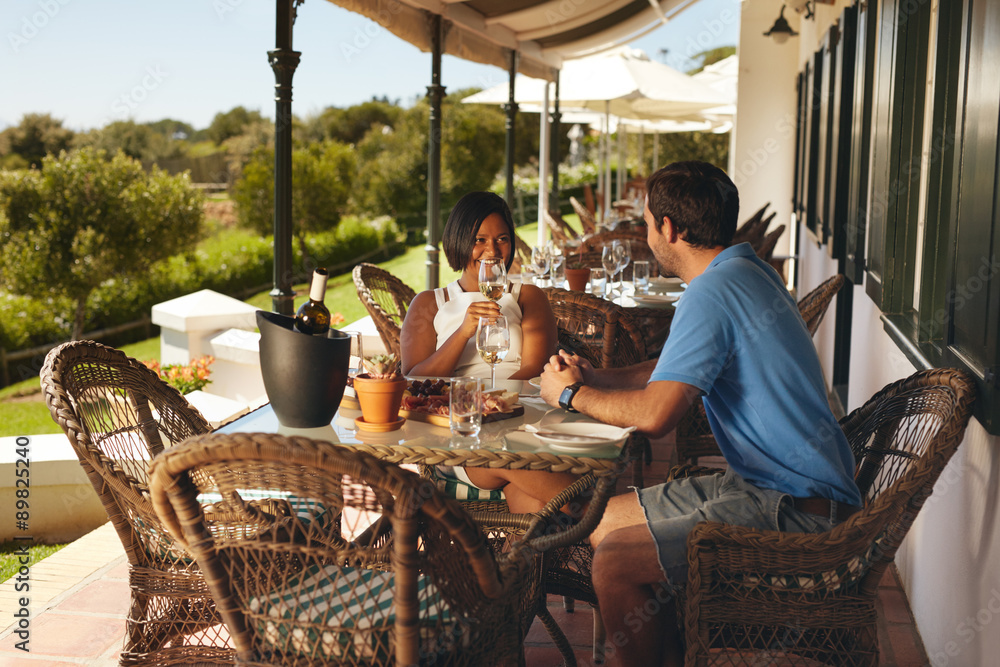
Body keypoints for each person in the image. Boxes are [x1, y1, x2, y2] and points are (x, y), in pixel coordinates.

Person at [539, 161, 862, 666]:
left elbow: (654, 417)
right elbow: (672, 369)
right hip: (769, 488)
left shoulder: (711, 293)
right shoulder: (745, 270)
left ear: (669, 228)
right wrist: (596, 378)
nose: (646, 233)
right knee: (599, 525)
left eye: (647, 223)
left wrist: (568, 397)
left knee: (613, 562)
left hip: (796, 512)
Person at [401, 191, 576, 514]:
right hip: (460, 435)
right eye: (479, 239)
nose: (492, 251)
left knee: (527, 499)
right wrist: (463, 332)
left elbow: (536, 369)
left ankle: (516, 561)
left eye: (502, 239)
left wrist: (499, 408)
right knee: (510, 460)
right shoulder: (429, 303)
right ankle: (596, 513)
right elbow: (414, 381)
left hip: (523, 420)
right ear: (457, 240)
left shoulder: (528, 297)